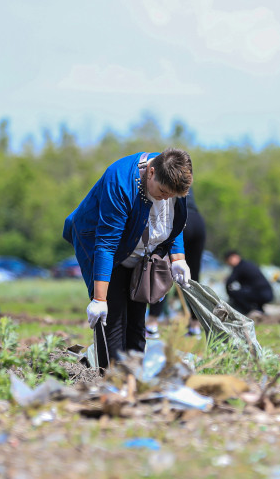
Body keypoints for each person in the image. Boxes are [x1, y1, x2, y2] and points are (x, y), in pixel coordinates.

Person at [63, 149, 193, 368]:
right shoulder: (121, 181)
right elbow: (106, 243)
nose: (166, 199)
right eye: (162, 192)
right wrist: (99, 300)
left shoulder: (173, 174)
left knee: (136, 318)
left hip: (138, 248)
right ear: (151, 172)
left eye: (172, 196)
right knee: (112, 318)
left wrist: (178, 257)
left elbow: (174, 220)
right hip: (98, 242)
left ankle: (134, 377)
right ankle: (111, 380)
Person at [146, 186, 205, 338]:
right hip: (198, 222)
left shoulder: (165, 171)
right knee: (193, 276)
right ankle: (195, 326)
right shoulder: (185, 175)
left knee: (162, 273)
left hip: (181, 221)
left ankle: (152, 324)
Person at [223, 250, 274, 315]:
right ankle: (259, 310)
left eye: (228, 261)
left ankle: (250, 311)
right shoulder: (247, 264)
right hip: (266, 293)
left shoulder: (240, 267)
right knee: (245, 291)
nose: (228, 264)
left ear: (233, 258)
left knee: (235, 293)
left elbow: (229, 282)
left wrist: (229, 293)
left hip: (261, 293)